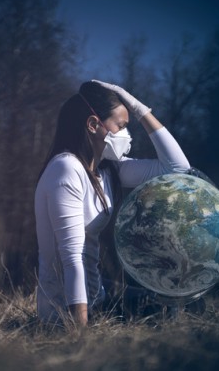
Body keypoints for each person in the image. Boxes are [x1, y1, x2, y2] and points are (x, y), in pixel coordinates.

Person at [34, 80, 191, 326]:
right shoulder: (66, 169)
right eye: (121, 125)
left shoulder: (108, 170)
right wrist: (80, 336)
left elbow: (178, 169)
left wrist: (140, 109)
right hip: (66, 309)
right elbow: (71, 258)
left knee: (184, 303)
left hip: (97, 296)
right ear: (93, 124)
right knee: (167, 314)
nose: (126, 135)